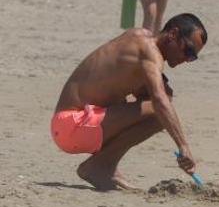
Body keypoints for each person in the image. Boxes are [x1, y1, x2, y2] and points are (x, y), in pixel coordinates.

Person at [51, 13, 206, 191]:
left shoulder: (138, 39)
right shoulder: (148, 51)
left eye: (192, 57)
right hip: (71, 126)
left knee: (163, 99)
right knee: (159, 110)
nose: (187, 59)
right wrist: (183, 146)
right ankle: (99, 166)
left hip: (68, 126)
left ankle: (105, 165)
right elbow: (159, 101)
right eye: (188, 51)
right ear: (173, 34)